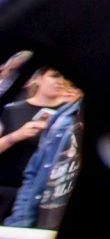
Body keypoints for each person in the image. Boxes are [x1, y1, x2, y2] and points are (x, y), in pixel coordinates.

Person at [0, 66, 77, 219]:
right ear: (39, 79)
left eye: (64, 78)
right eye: (54, 76)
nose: (60, 82)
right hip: (7, 185)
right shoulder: (11, 110)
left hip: (44, 193)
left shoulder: (70, 115)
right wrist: (17, 135)